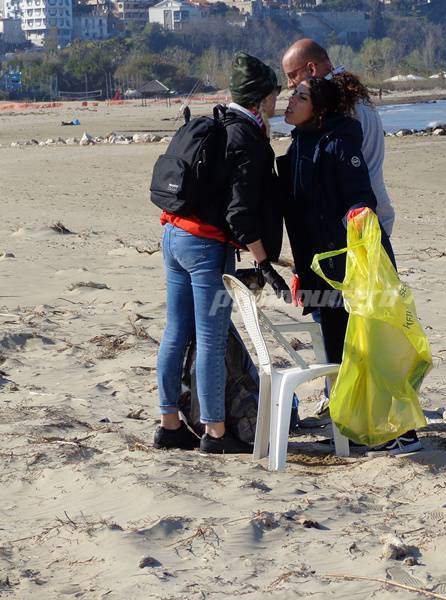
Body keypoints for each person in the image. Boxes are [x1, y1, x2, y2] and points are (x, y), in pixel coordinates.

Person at [153, 52, 290, 455]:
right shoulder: (247, 138)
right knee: (211, 339)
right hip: (205, 248)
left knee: (176, 331)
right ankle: (215, 433)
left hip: (173, 236)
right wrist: (264, 263)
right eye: (274, 95)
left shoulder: (215, 124)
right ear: (261, 99)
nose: (277, 103)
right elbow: (240, 214)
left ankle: (169, 425)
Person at [279, 75, 423, 456]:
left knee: (373, 349)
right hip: (321, 268)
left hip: (356, 266)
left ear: (320, 108)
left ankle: (402, 434)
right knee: (342, 352)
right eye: (292, 93)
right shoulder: (299, 145)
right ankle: (355, 429)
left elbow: (360, 199)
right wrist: (300, 270)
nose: (290, 100)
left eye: (301, 95)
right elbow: (301, 217)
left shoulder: (341, 142)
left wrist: (358, 237)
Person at [282, 38, 394, 236]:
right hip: (371, 206)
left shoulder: (335, 106)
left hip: (356, 214)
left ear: (311, 69)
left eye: (292, 76)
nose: (289, 85)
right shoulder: (352, 94)